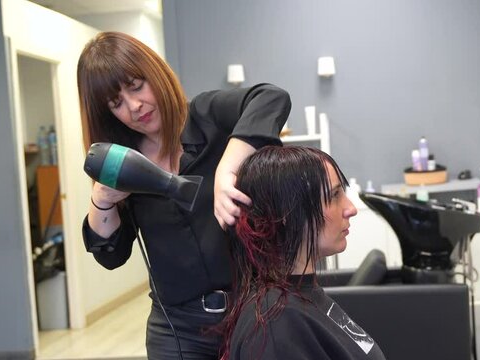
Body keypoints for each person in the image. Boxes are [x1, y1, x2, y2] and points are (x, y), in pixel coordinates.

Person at [77, 31, 291, 360]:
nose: (134, 106)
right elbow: (111, 255)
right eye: (116, 103)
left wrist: (227, 168)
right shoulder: (125, 163)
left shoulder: (207, 116)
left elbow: (272, 98)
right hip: (177, 330)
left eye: (137, 86)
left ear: (155, 74)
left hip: (254, 313)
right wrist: (102, 199)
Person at [220, 146, 387, 360]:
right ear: (287, 213)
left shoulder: (299, 296)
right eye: (334, 195)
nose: (351, 208)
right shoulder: (274, 327)